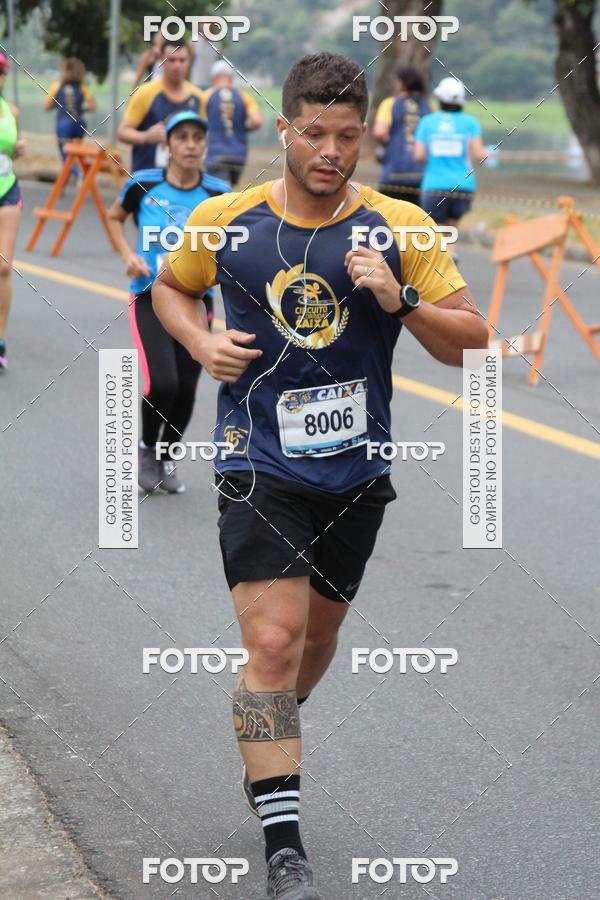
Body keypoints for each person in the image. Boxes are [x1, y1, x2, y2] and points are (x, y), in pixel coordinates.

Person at [153, 52, 487, 898]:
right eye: (314, 133)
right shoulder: (228, 221)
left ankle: (266, 743)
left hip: (355, 474)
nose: (330, 151)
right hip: (255, 459)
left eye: (346, 136)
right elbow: (170, 288)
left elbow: (472, 339)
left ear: (364, 136)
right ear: (284, 129)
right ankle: (284, 840)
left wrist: (400, 301)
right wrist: (199, 344)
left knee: (316, 642)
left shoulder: (401, 228)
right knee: (271, 644)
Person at [107, 111, 230, 494]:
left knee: (189, 388)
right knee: (163, 382)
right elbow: (115, 218)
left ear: (205, 144)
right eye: (182, 138)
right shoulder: (143, 184)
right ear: (168, 145)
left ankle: (166, 453)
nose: (191, 145)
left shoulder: (217, 192)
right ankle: (146, 449)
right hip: (148, 296)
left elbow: (236, 239)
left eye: (198, 138)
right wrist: (128, 254)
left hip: (196, 299)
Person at [118, 38, 203, 173]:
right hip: (147, 179)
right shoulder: (145, 93)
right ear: (162, 61)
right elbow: (122, 132)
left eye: (182, 60)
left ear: (189, 62)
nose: (177, 66)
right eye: (172, 60)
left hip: (185, 182)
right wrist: (146, 137)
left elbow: (205, 137)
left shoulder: (198, 97)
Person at [414, 76, 487, 229]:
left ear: (440, 98)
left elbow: (419, 155)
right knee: (451, 231)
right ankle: (451, 252)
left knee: (435, 232)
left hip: (434, 186)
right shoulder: (470, 122)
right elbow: (480, 156)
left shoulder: (427, 122)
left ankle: (441, 253)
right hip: (463, 187)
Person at [0, 51, 26, 372]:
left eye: (1, 72)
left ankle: (0, 339)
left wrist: (18, 150)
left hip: (7, 189)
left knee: (4, 268)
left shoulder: (12, 112)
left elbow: (11, 155)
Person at [373, 65, 430, 203]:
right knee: (414, 221)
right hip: (421, 176)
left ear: (401, 83)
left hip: (393, 174)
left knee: (388, 219)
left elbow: (380, 132)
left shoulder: (390, 104)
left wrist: (387, 143)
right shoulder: (428, 106)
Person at [202, 60, 263, 186]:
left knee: (216, 195)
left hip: (215, 155)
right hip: (239, 156)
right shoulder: (244, 97)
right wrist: (242, 129)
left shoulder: (206, 96)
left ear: (214, 77)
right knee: (230, 193)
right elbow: (257, 121)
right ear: (231, 77)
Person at [44, 58, 96, 167]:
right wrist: (80, 109)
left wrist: (58, 104)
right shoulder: (83, 87)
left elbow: (47, 107)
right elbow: (92, 106)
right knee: (76, 152)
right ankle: (77, 173)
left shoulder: (57, 86)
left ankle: (75, 174)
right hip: (79, 123)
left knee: (65, 154)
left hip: (64, 124)